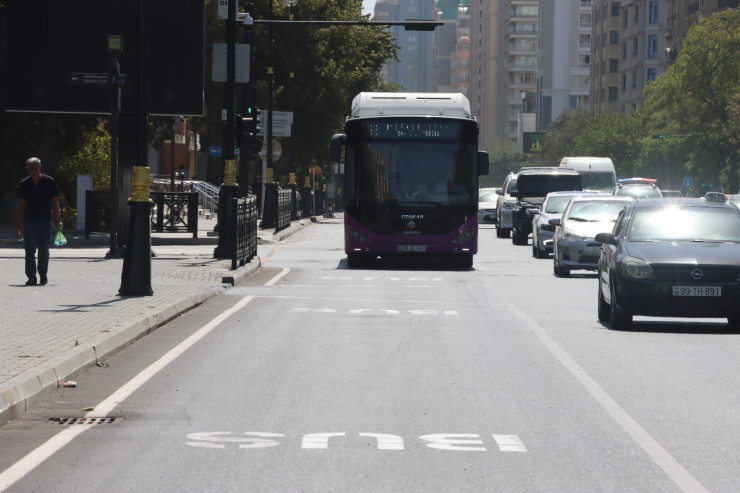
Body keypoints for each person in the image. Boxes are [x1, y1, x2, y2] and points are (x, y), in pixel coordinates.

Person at [15, 157, 61, 286]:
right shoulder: (25, 183)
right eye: (30, 168)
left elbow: (55, 201)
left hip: (45, 220)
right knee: (29, 250)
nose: (33, 171)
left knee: (44, 249)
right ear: (27, 169)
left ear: (40, 168)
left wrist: (57, 219)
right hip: (29, 220)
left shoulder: (49, 181)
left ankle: (43, 274)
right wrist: (18, 222)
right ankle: (31, 276)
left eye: (35, 168)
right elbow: (22, 204)